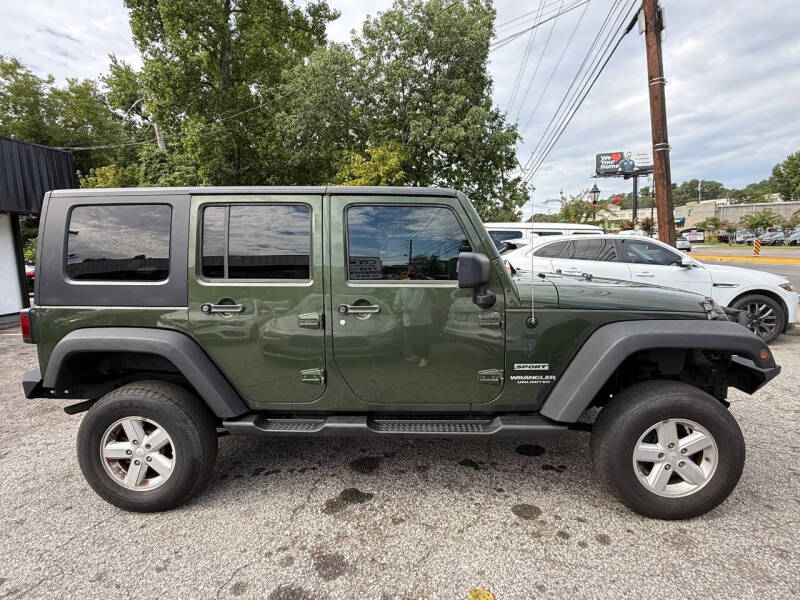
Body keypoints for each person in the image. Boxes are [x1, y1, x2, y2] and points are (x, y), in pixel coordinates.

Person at [393, 265, 433, 367]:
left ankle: (424, 358)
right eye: (411, 271)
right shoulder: (403, 285)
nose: (413, 273)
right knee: (412, 339)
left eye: (416, 271)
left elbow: (432, 296)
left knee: (423, 339)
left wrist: (424, 280)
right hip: (408, 319)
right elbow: (397, 303)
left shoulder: (426, 284)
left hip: (423, 318)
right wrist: (400, 308)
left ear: (420, 272)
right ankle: (416, 354)